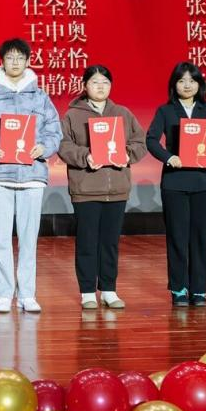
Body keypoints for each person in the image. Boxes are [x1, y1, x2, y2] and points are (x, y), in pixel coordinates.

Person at [0, 38, 62, 313]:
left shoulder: (40, 97)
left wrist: (43, 147)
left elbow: (54, 130)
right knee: (0, 238)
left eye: (20, 57)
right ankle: (4, 294)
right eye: (10, 58)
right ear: (2, 62)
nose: (16, 62)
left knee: (29, 239)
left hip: (32, 175)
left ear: (28, 61)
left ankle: (27, 294)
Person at [145, 61, 206, 307]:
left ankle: (199, 290)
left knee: (200, 237)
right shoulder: (166, 111)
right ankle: (178, 289)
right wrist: (168, 157)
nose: (187, 85)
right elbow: (151, 140)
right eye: (181, 80)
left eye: (192, 80)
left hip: (204, 182)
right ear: (174, 85)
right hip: (175, 182)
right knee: (177, 237)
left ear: (200, 84)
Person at [57, 65, 147, 310]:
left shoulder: (123, 113)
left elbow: (140, 142)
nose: (100, 86)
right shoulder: (72, 115)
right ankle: (87, 292)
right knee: (87, 242)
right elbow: (63, 145)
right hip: (86, 189)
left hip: (116, 188)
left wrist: (126, 155)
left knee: (110, 242)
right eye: (95, 82)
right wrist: (86, 156)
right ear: (84, 86)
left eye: (105, 82)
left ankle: (109, 290)